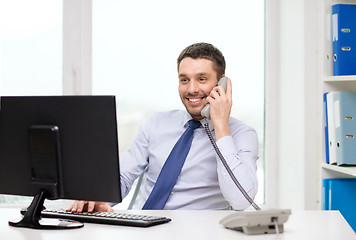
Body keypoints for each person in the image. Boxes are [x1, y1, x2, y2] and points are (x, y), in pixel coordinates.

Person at [68, 42, 259, 213]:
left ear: (221, 84)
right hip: (145, 229)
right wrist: (98, 197)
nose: (192, 89)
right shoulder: (156, 124)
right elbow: (124, 176)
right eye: (184, 80)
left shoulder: (242, 134)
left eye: (201, 79)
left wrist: (220, 127)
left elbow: (241, 200)